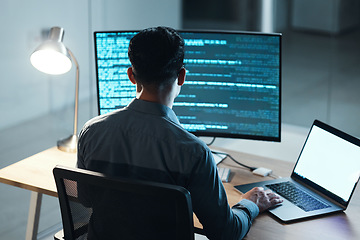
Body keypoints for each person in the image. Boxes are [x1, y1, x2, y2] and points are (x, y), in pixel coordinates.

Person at [77, 26, 282, 239]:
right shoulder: (193, 152)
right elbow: (225, 233)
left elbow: (85, 199)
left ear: (130, 75)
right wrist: (250, 204)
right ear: (182, 76)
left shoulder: (91, 131)